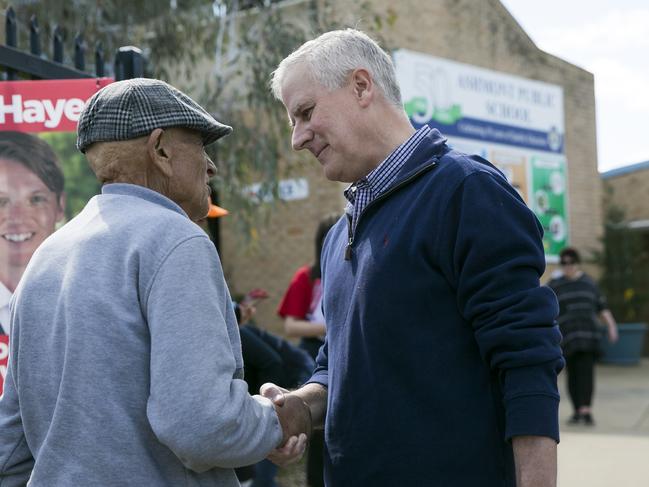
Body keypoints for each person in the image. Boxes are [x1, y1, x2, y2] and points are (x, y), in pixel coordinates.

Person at [261, 29, 564, 487]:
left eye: (305, 113)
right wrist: (301, 406)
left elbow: (526, 361)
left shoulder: (465, 191)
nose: (298, 139)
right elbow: (337, 362)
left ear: (362, 86)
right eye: (293, 122)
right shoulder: (339, 232)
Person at [0, 78, 310, 486]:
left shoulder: (47, 255)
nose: (211, 165)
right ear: (160, 149)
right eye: (200, 145)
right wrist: (276, 422)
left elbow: (12, 447)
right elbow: (201, 427)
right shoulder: (175, 239)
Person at [276, 213, 338, 487]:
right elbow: (290, 326)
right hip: (315, 354)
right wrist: (332, 325)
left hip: (341, 350)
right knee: (316, 426)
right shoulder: (306, 277)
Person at [0, 132, 66, 336]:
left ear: (60, 206)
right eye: (1, 202)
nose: (18, 218)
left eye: (36, 199)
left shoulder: (91, 297)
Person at [547, 247, 618, 426]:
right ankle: (577, 410)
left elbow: (602, 307)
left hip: (588, 336)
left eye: (571, 263)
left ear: (578, 263)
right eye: (564, 263)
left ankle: (586, 410)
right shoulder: (555, 285)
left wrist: (611, 326)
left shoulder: (589, 283)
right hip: (567, 338)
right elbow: (544, 305)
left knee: (586, 373)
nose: (568, 266)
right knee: (572, 374)